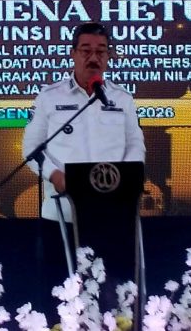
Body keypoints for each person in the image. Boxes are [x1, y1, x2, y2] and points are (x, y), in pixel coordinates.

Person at [22, 22, 146, 222]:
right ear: (73, 54)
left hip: (112, 209)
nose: (94, 58)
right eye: (86, 51)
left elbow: (135, 144)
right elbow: (31, 147)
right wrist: (55, 175)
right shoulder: (49, 96)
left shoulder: (123, 98)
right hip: (61, 213)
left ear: (108, 56)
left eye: (101, 52)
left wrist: (126, 175)